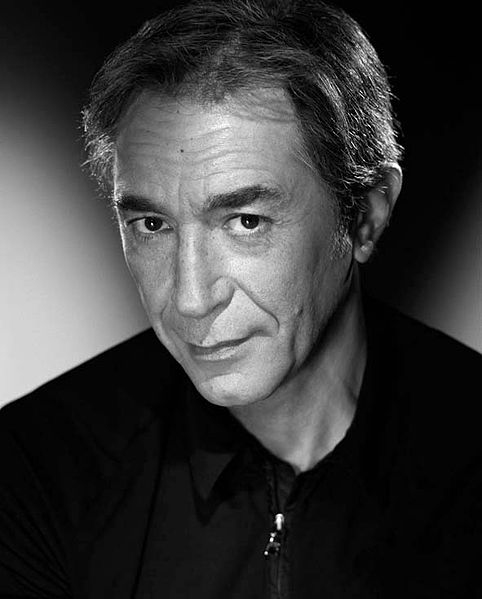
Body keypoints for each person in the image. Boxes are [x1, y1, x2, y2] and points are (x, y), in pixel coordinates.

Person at [0, 0, 480, 597]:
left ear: (365, 217)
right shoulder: (36, 471)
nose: (191, 299)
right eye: (152, 225)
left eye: (246, 221)